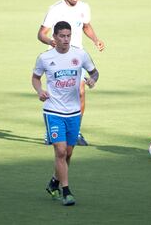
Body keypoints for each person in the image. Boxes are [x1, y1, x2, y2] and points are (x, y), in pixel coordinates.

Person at [32, 21, 99, 206]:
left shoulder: (80, 54)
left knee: (68, 153)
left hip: (74, 112)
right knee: (60, 151)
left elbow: (95, 73)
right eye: (61, 36)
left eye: (68, 36)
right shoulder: (45, 58)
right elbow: (36, 78)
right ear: (54, 37)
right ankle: (66, 191)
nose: (65, 39)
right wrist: (40, 91)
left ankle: (54, 182)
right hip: (52, 110)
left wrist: (92, 81)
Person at [38, 0, 104, 146]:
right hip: (57, 57)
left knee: (80, 93)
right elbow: (41, 34)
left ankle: (74, 132)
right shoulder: (55, 10)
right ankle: (50, 132)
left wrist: (96, 40)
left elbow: (86, 26)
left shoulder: (84, 7)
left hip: (76, 57)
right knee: (58, 95)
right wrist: (50, 42)